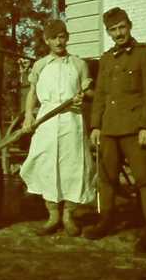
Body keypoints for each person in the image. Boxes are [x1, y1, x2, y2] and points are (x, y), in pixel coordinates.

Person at [84, 8, 146, 253]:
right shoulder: (107, 58)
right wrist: (96, 125)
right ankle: (106, 220)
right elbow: (101, 95)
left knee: (144, 179)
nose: (119, 33)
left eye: (122, 27)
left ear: (129, 26)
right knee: (106, 178)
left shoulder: (145, 54)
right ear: (108, 32)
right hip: (109, 129)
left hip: (134, 128)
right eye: (113, 30)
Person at [20, 19, 96, 236]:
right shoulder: (40, 65)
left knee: (73, 166)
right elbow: (32, 93)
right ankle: (53, 216)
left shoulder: (79, 64)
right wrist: (28, 115)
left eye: (62, 37)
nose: (58, 42)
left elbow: (89, 92)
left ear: (67, 38)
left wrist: (84, 96)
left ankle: (68, 216)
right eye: (53, 38)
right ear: (47, 40)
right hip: (47, 121)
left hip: (72, 120)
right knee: (46, 165)